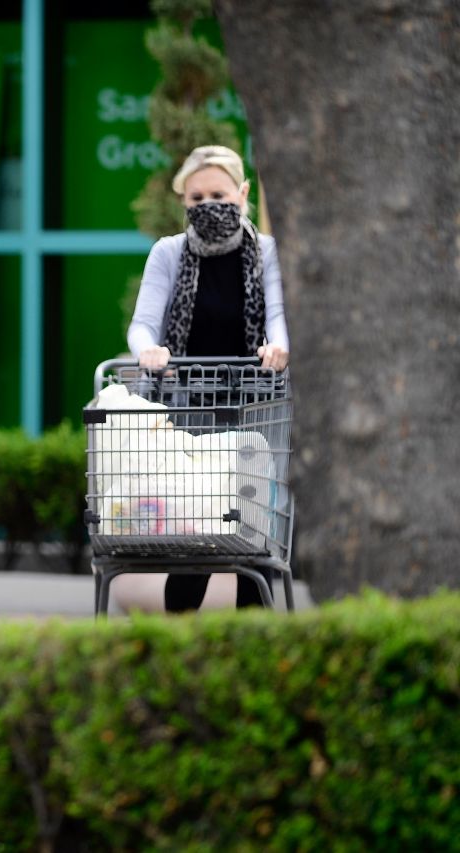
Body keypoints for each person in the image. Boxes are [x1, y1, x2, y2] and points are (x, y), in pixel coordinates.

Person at [124, 144, 290, 614]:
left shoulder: (268, 254)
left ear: (241, 193)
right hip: (189, 411)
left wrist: (279, 346)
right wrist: (149, 351)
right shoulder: (169, 253)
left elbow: (277, 314)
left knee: (253, 541)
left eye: (217, 193)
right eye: (195, 198)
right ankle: (179, 654)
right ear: (184, 202)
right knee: (193, 538)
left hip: (255, 408)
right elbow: (143, 324)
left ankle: (256, 657)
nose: (207, 205)